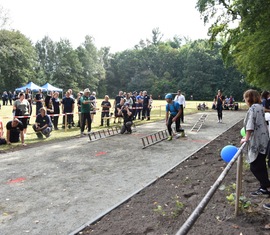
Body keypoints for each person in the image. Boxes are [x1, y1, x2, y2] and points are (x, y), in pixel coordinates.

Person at [240, 89, 270, 199]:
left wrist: (246, 138)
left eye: (245, 97)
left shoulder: (253, 108)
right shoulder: (260, 107)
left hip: (258, 141)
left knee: (254, 166)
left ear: (249, 98)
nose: (244, 100)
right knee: (261, 164)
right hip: (264, 139)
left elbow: (250, 125)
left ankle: (267, 185)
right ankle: (263, 187)